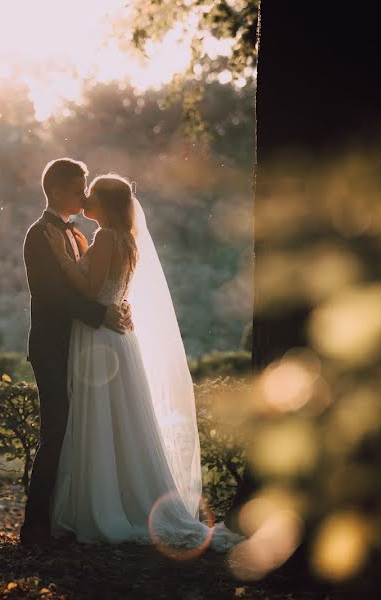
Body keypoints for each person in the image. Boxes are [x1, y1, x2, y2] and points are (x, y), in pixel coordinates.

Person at [46, 173, 242, 553]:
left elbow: (89, 290)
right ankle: (127, 499)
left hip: (99, 339)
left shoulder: (105, 238)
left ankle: (105, 507)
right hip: (119, 338)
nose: (85, 197)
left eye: (92, 194)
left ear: (105, 204)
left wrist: (62, 257)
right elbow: (109, 287)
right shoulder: (125, 239)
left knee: (102, 422)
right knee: (121, 423)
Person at [19, 158, 132, 547]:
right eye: (79, 186)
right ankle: (33, 526)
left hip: (80, 348)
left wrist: (108, 304)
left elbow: (88, 281)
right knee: (56, 430)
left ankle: (65, 516)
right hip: (52, 348)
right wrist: (101, 312)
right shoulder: (39, 234)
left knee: (76, 431)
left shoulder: (77, 233)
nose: (85, 194)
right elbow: (50, 295)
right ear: (57, 190)